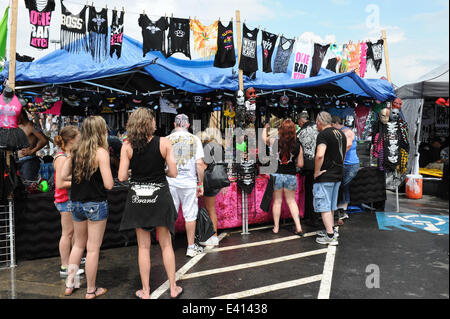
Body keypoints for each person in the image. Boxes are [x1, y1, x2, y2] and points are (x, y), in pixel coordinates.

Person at [118, 108, 183, 299]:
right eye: (153, 121)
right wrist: (162, 171)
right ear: (149, 123)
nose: (156, 123)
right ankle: (173, 288)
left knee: (143, 247)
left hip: (138, 199)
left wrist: (134, 172)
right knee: (166, 245)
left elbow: (121, 176)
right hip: (160, 197)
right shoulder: (164, 142)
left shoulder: (127, 146)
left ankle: (145, 291)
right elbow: (174, 172)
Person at [61, 116, 113, 299]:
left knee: (78, 245)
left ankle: (70, 284)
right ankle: (91, 290)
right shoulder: (100, 153)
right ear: (101, 131)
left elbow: (62, 175)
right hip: (95, 204)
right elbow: (108, 184)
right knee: (92, 249)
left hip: (75, 203)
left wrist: (77, 180)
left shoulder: (76, 151)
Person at [166, 114, 205, 257]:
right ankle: (190, 247)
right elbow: (199, 164)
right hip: (189, 183)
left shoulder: (167, 140)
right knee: (190, 216)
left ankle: (167, 246)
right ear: (188, 125)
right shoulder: (195, 139)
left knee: (170, 215)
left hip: (171, 182)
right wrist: (200, 183)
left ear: (175, 125)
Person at [53, 125, 85, 278]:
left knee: (73, 234)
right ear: (71, 140)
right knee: (67, 233)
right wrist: (81, 182)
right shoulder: (61, 158)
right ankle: (65, 266)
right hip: (65, 200)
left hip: (69, 199)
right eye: (78, 139)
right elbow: (60, 184)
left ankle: (73, 262)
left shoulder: (66, 155)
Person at [263, 119, 304, 235]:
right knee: (291, 201)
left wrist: (265, 128)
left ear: (281, 130)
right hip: (290, 175)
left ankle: (276, 228)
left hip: (276, 174)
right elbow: (300, 164)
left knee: (277, 201)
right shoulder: (298, 144)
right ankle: (298, 226)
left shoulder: (274, 141)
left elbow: (262, 139)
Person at [313, 112, 347, 246]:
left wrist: (316, 172)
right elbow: (343, 155)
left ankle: (330, 235)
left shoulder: (323, 135)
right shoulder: (341, 133)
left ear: (320, 122)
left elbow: (319, 155)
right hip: (338, 174)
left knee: (324, 206)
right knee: (331, 205)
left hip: (326, 175)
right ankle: (330, 230)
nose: (316, 124)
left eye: (316, 122)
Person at [331, 116, 360, 224]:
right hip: (347, 164)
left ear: (335, 124)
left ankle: (341, 210)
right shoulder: (343, 131)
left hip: (350, 165)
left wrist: (339, 159)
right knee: (344, 187)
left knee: (342, 186)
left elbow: (347, 145)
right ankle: (343, 210)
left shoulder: (346, 132)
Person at [199, 128, 225, 247]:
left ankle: (213, 236)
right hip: (216, 180)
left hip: (208, 180)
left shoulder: (206, 146)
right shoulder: (219, 146)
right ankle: (213, 236)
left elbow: (204, 165)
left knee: (210, 209)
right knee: (211, 209)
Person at [296, 111, 320, 227]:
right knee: (319, 192)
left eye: (298, 123)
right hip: (320, 164)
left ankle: (311, 216)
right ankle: (320, 215)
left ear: (301, 120)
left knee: (310, 192)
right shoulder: (318, 127)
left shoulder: (300, 133)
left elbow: (298, 152)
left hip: (309, 166)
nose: (299, 124)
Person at [18, 109, 49, 181]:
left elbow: (44, 140)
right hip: (17, 161)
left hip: (29, 161)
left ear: (21, 115)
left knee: (29, 185)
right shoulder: (17, 126)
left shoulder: (32, 126)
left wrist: (32, 151)